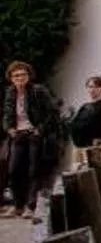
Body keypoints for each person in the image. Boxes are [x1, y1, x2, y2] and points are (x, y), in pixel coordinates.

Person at [3, 61, 63, 216]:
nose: (20, 78)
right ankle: (18, 205)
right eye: (16, 75)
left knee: (34, 171)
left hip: (35, 135)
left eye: (23, 74)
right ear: (11, 78)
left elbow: (52, 112)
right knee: (14, 170)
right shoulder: (10, 92)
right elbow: (7, 113)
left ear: (29, 75)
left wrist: (39, 130)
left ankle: (31, 206)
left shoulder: (38, 90)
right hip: (18, 134)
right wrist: (9, 128)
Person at [66, 75, 101, 152]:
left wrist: (75, 125)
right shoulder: (85, 106)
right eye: (90, 87)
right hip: (80, 146)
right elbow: (74, 122)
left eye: (96, 87)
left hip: (93, 147)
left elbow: (91, 123)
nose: (92, 90)